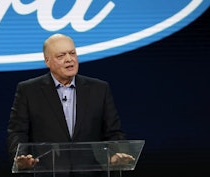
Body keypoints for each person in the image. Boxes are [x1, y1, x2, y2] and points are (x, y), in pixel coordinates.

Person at [7, 33, 134, 177]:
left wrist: (117, 153)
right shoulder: (28, 90)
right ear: (47, 61)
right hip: (48, 172)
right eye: (61, 56)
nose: (69, 59)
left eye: (72, 53)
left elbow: (114, 132)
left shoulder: (99, 89)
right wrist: (21, 158)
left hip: (90, 174)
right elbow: (17, 132)